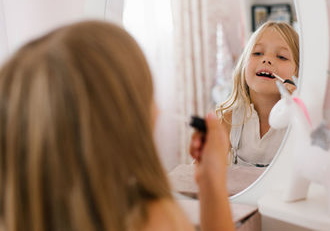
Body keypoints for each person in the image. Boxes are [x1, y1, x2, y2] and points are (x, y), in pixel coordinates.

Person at [0, 20, 234, 231]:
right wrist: (212, 181)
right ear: (121, 123)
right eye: (147, 95)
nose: (158, 108)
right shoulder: (154, 220)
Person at [216, 21, 299, 167]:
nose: (266, 60)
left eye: (281, 57)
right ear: (243, 64)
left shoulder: (298, 122)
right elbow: (204, 169)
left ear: (298, 73)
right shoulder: (230, 119)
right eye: (257, 53)